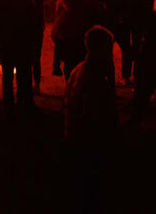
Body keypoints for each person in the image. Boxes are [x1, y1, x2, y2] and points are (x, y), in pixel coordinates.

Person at [63, 26, 117, 213]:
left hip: (75, 143)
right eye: (109, 48)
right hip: (87, 149)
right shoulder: (94, 80)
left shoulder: (78, 69)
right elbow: (92, 121)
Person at [0, 0, 39, 114]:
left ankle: (9, 105)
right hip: (22, 42)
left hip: (7, 43)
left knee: (8, 75)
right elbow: (33, 20)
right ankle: (25, 101)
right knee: (24, 73)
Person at [53, 0, 93, 79]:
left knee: (69, 62)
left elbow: (58, 13)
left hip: (67, 33)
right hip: (81, 32)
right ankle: (80, 82)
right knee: (80, 60)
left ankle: (69, 82)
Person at [24, 0, 52, 92]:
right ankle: (37, 85)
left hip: (25, 27)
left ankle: (27, 85)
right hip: (37, 26)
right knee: (36, 57)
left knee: (26, 57)